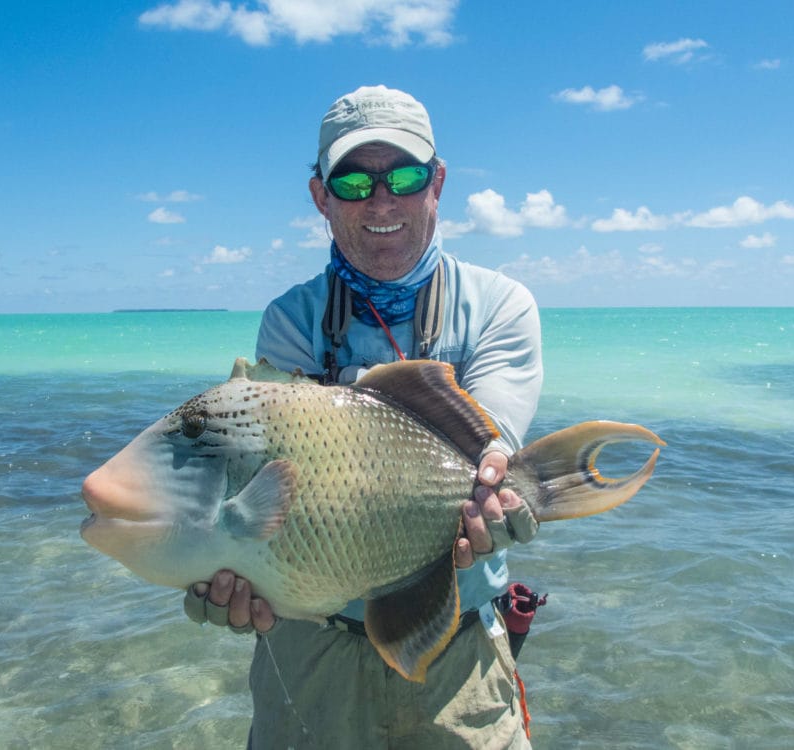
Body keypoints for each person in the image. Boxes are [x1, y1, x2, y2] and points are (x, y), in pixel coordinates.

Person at [183, 85, 544, 749]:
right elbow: (268, 491)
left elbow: (491, 456)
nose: (381, 202)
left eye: (403, 176)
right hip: (311, 644)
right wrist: (224, 564)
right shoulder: (290, 321)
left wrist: (500, 493)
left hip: (457, 648)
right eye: (353, 182)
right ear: (321, 196)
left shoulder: (500, 306)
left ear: (437, 184)